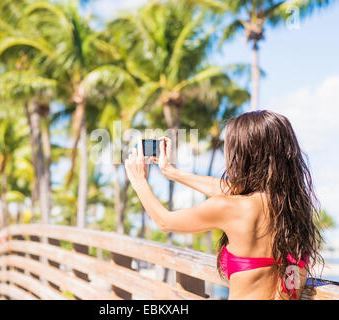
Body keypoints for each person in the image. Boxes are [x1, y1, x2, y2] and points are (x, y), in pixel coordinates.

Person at [124, 110, 323, 300]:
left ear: (245, 154)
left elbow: (165, 221)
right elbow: (226, 188)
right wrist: (171, 172)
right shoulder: (291, 208)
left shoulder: (231, 207)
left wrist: (139, 181)